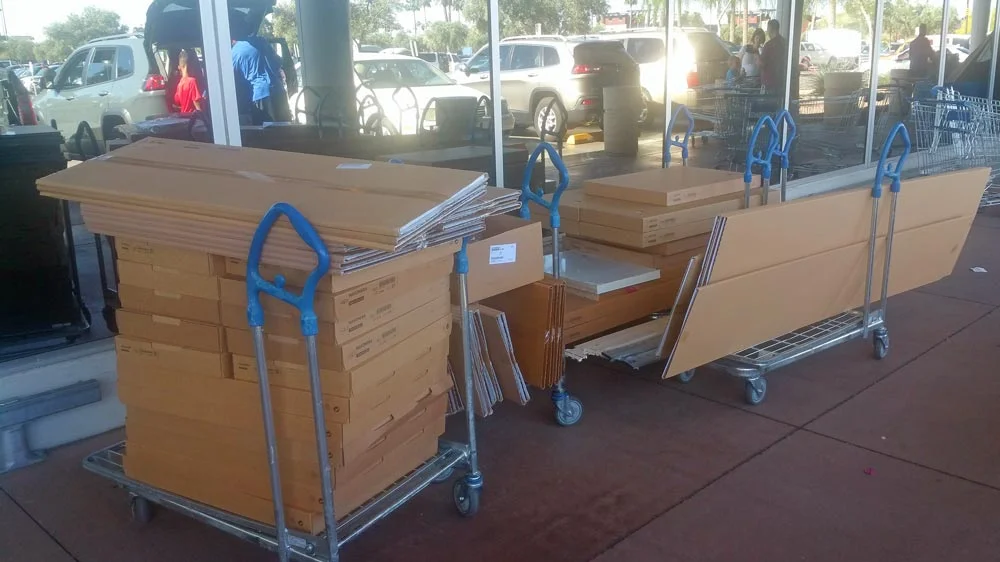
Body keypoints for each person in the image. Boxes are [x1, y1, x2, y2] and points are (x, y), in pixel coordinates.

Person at [230, 18, 288, 124]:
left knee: (266, 129)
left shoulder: (233, 54)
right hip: (278, 90)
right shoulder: (261, 41)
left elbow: (233, 80)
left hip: (260, 94)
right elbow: (277, 63)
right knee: (285, 126)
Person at [759, 19, 787, 95]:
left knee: (769, 102)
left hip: (769, 82)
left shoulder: (769, 45)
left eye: (767, 28)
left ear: (770, 29)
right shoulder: (784, 43)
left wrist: (757, 58)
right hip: (782, 81)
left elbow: (762, 63)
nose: (767, 31)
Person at [173, 49, 204, 114]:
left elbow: (178, 102)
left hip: (183, 117)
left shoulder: (179, 84)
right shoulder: (192, 82)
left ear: (179, 67)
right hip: (192, 117)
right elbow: (197, 106)